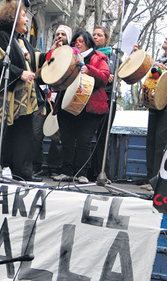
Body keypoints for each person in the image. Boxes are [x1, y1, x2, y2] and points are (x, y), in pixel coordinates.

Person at [0, 0, 46, 182]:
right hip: (6, 96)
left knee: (23, 133)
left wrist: (54, 54)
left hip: (23, 99)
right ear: (12, 17)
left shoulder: (21, 42)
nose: (27, 20)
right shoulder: (1, 38)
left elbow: (36, 59)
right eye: (23, 15)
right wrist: (19, 73)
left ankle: (22, 171)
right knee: (0, 132)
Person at [53, 30, 110, 183]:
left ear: (88, 42)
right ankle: (66, 171)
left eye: (81, 41)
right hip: (67, 105)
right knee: (67, 140)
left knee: (85, 141)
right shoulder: (69, 56)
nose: (77, 43)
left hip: (90, 108)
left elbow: (104, 77)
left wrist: (90, 70)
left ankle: (81, 173)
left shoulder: (98, 57)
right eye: (75, 41)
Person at [139, 33, 167, 190]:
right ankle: (151, 177)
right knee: (151, 141)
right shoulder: (160, 59)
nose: (166, 38)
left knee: (162, 141)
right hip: (155, 105)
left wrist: (166, 71)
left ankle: (160, 180)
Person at [32, 25, 72, 175]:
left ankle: (54, 167)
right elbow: (40, 74)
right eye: (58, 34)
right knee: (36, 134)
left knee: (58, 137)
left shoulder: (72, 55)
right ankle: (36, 165)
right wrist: (52, 52)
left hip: (59, 100)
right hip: (43, 99)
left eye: (63, 34)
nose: (60, 36)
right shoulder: (48, 54)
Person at [88, 26, 117, 181]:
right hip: (90, 95)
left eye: (99, 35)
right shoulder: (89, 54)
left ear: (107, 38)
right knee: (86, 136)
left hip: (107, 97)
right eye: (94, 34)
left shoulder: (114, 57)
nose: (96, 37)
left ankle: (99, 170)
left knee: (103, 137)